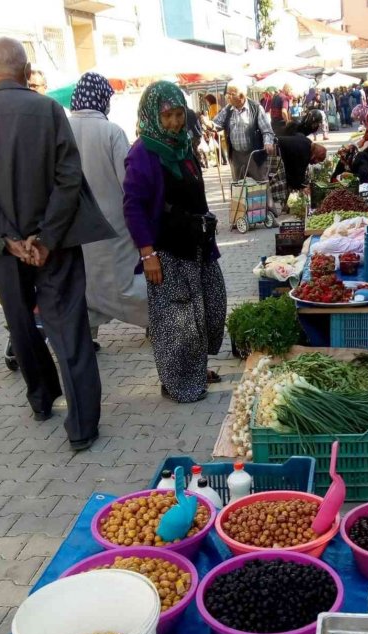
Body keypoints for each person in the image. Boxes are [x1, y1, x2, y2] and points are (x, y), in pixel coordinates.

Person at [0, 38, 113, 450]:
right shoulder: (48, 110)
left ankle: (42, 399)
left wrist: (10, 239)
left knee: (21, 324)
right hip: (56, 243)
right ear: (27, 69)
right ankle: (82, 426)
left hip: (2, 248)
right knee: (69, 327)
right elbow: (69, 178)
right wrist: (44, 238)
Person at [123, 81, 227, 402]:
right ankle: (176, 381)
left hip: (197, 245)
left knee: (210, 306)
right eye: (167, 116)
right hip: (166, 251)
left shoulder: (184, 146)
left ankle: (194, 367)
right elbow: (133, 206)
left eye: (179, 114)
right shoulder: (142, 153)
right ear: (154, 115)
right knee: (176, 319)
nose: (175, 122)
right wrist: (147, 253)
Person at [68, 71, 148, 334]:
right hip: (112, 223)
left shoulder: (62, 128)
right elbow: (128, 181)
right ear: (103, 98)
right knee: (123, 282)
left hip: (74, 223)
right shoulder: (111, 131)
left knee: (88, 281)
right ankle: (156, 317)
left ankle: (85, 333)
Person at [212, 78, 275, 182]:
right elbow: (216, 124)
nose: (227, 97)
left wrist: (268, 142)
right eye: (227, 93)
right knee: (239, 190)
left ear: (241, 96)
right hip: (236, 156)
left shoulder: (256, 108)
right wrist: (209, 126)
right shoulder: (228, 109)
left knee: (260, 188)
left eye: (231, 94)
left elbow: (267, 130)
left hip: (254, 155)